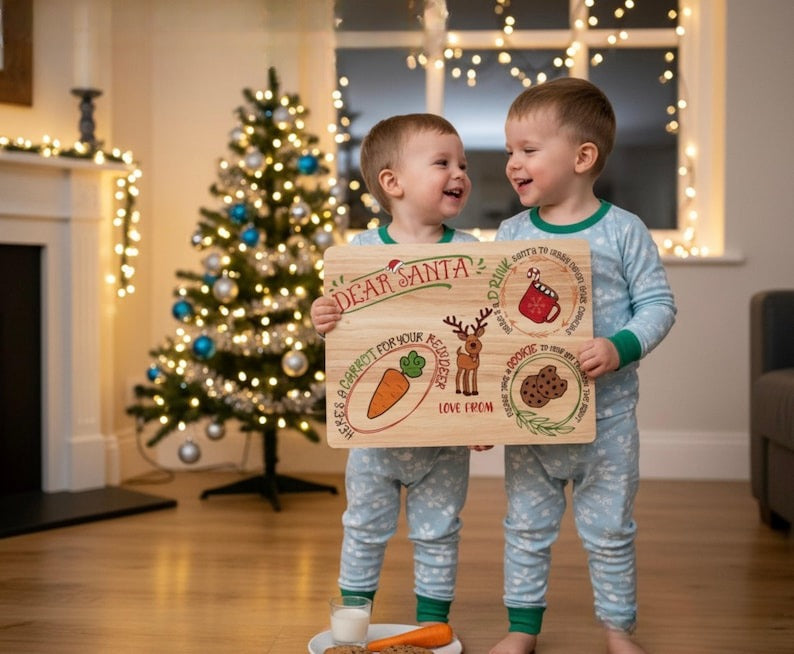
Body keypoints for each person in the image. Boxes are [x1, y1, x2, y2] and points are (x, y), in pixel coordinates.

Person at [489, 78, 677, 654]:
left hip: (609, 422)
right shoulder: (509, 234)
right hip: (531, 422)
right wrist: (480, 412)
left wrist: (620, 345)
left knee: (611, 532)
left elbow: (659, 305)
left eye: (527, 150)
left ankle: (618, 631)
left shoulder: (624, 231)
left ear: (582, 156)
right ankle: (522, 631)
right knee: (524, 529)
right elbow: (491, 323)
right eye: (509, 152)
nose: (512, 164)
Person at [311, 113, 478, 626]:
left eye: (463, 164)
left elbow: (485, 343)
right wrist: (322, 317)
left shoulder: (471, 252)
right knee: (362, 527)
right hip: (372, 439)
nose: (460, 173)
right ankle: (351, 624)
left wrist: (484, 414)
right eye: (442, 162)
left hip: (444, 439)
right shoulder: (358, 255)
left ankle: (432, 626)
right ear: (393, 182)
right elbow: (341, 331)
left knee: (439, 531)